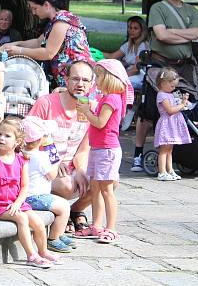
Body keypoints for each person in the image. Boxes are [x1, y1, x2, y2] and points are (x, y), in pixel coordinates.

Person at [132, 0, 198, 172]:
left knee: (189, 105)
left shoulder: (191, 11)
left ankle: (187, 152)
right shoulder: (158, 8)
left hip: (185, 65)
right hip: (160, 64)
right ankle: (137, 154)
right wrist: (186, 36)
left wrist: (175, 33)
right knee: (149, 111)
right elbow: (161, 35)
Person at [0, 117, 56, 268]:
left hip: (17, 204)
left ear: (17, 142)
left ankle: (43, 251)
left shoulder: (21, 160)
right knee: (22, 218)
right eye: (0, 134)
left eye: (7, 136)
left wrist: (18, 203)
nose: (2, 138)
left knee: (38, 222)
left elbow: (25, 187)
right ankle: (31, 255)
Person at [27, 60, 93, 233]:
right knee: (66, 185)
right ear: (66, 79)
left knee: (108, 180)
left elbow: (84, 149)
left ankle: (75, 210)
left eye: (85, 80)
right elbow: (29, 138)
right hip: (46, 168)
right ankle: (56, 211)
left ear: (92, 83)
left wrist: (80, 170)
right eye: (75, 79)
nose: (80, 84)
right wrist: (54, 160)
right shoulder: (46, 103)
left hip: (72, 167)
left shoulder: (90, 109)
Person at [74, 59, 132, 244]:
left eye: (98, 76)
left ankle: (111, 227)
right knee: (96, 188)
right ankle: (96, 225)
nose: (95, 80)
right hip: (98, 148)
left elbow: (100, 122)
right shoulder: (106, 98)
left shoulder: (112, 98)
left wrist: (86, 111)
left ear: (109, 77)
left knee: (107, 190)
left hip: (107, 150)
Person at [1, 0, 93, 88]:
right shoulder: (55, 22)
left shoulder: (61, 21)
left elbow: (48, 53)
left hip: (79, 78)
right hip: (72, 77)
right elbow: (37, 42)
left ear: (46, 5)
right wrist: (13, 44)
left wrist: (19, 51)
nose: (33, 12)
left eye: (35, 8)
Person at [21, 117, 75, 254]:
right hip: (36, 197)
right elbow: (51, 175)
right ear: (40, 139)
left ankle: (60, 232)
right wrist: (55, 161)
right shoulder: (40, 157)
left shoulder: (21, 154)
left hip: (27, 195)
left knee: (60, 205)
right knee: (64, 207)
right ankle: (54, 238)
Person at [153, 68, 192, 181]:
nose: (174, 88)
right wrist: (182, 105)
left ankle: (170, 170)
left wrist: (183, 101)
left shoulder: (169, 94)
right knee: (164, 149)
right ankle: (162, 172)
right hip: (167, 124)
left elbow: (178, 105)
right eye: (172, 86)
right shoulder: (161, 95)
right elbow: (170, 110)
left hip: (172, 124)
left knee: (170, 149)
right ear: (163, 83)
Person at [102, 16, 148, 90]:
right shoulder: (129, 44)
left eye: (135, 28)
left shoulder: (143, 46)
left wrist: (119, 77)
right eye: (129, 27)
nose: (131, 30)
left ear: (142, 31)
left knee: (114, 83)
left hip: (139, 77)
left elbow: (136, 69)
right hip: (128, 73)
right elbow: (112, 56)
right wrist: (93, 52)